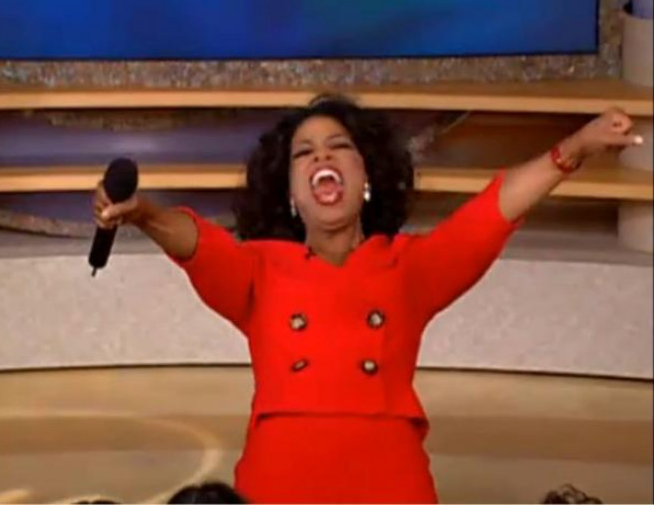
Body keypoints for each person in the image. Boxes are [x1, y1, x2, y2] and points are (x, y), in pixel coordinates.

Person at [93, 95, 641, 504]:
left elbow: (492, 212)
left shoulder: (411, 267)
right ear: (291, 194)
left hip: (389, 481)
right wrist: (144, 213)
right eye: (304, 153)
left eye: (339, 147)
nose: (321, 156)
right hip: (279, 480)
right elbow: (199, 244)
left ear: (366, 177)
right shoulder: (260, 268)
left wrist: (575, 148)